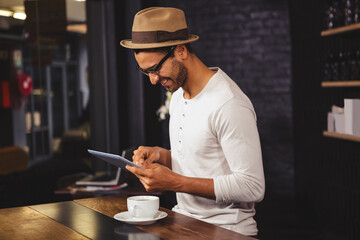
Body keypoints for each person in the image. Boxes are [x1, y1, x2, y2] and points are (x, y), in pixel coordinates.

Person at [121, 7, 265, 236]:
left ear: (180, 51)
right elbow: (203, 159)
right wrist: (162, 155)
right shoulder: (178, 95)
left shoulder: (228, 103)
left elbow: (252, 187)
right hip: (184, 225)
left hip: (228, 231)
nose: (152, 80)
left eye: (156, 68)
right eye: (145, 71)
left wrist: (173, 182)